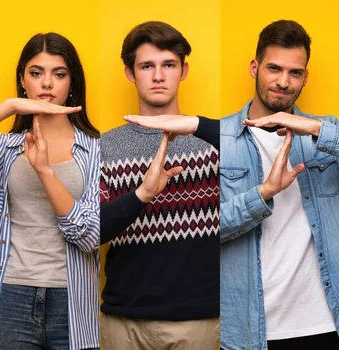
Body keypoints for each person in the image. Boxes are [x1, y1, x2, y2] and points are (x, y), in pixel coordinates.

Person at [99, 21, 220, 350]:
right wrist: (141, 196)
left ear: (183, 71)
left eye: (168, 65)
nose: (157, 76)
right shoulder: (105, 147)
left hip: (198, 322)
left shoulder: (213, 144)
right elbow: (91, 232)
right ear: (130, 73)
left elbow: (253, 150)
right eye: (146, 66)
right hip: (124, 322)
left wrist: (196, 126)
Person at [220, 20, 339, 350]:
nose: (283, 82)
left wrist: (310, 127)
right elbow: (204, 229)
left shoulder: (325, 134)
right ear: (254, 67)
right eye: (274, 69)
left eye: (295, 73)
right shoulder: (221, 139)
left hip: (325, 322)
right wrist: (263, 193)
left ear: (306, 77)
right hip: (250, 329)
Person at [0, 32, 101, 350]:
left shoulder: (98, 150)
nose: (46, 83)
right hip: (10, 295)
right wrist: (8, 107)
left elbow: (89, 236)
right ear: (22, 80)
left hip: (71, 300)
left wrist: (45, 171)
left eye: (58, 74)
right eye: (36, 73)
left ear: (72, 83)